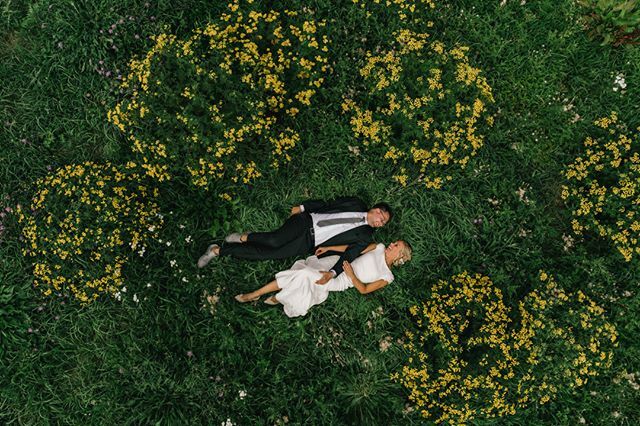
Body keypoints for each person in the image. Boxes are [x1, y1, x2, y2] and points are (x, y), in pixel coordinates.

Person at [197, 197, 392, 283]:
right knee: (274, 240)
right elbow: (329, 203)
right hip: (306, 221)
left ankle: (217, 250)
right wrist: (303, 207)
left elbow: (349, 254)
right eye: (381, 219)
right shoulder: (356, 203)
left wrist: (333, 273)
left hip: (310, 242)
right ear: (376, 210)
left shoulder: (366, 236)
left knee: (267, 254)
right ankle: (244, 237)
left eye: (383, 223)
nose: (380, 223)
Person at [234, 241, 412, 318]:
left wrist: (351, 275)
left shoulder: (387, 276)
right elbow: (352, 249)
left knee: (303, 274)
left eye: (396, 246)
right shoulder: (378, 247)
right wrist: (330, 247)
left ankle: (254, 294)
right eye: (394, 242)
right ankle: (276, 297)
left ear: (400, 256)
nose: (392, 244)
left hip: (342, 280)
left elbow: (364, 290)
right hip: (336, 262)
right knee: (303, 275)